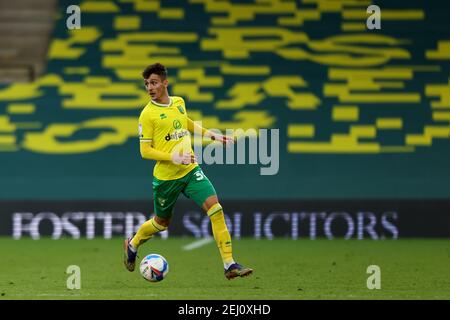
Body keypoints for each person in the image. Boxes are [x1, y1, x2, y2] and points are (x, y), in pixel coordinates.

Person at [123, 62, 253, 280]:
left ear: (165, 83)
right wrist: (173, 156)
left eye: (154, 82)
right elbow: (144, 151)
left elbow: (185, 122)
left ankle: (229, 265)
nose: (150, 88)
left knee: (216, 210)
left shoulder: (179, 102)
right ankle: (133, 243)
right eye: (146, 84)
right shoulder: (147, 115)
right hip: (166, 178)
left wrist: (213, 135)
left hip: (191, 171)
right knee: (161, 224)